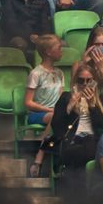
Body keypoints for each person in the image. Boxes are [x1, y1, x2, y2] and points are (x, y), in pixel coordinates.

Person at [49, 63, 103, 185]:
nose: (85, 84)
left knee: (90, 146)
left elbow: (102, 124)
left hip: (92, 143)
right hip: (71, 141)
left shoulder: (100, 100)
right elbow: (56, 125)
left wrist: (92, 106)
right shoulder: (65, 97)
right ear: (76, 81)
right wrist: (70, 106)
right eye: (81, 80)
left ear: (94, 82)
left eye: (89, 81)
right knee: (78, 149)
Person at [26, 34, 66, 176]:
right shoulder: (36, 73)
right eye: (59, 48)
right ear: (48, 52)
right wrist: (49, 109)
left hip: (55, 114)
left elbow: (61, 98)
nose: (62, 50)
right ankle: (39, 158)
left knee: (62, 118)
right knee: (56, 116)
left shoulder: (60, 73)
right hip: (37, 115)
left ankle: (55, 161)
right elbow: (28, 103)